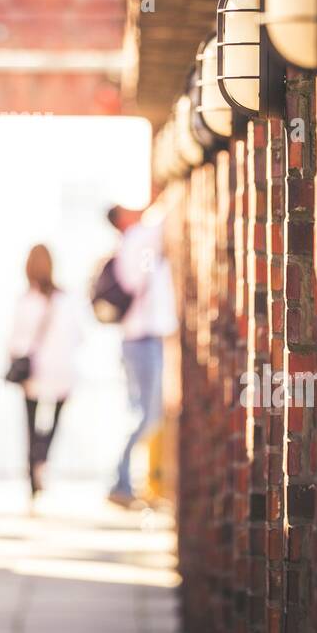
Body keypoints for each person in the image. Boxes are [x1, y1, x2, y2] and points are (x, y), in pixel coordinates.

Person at [106, 197, 178, 509]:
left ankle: (123, 482)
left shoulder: (130, 245)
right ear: (122, 219)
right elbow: (161, 218)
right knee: (147, 415)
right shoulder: (137, 238)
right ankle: (120, 481)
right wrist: (167, 193)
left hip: (139, 338)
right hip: (142, 339)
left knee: (145, 414)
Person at [8, 245, 82, 498]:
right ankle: (42, 456)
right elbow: (78, 336)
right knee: (54, 423)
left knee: (30, 424)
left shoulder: (26, 300)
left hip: (34, 372)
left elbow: (16, 340)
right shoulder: (67, 299)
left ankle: (32, 474)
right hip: (62, 371)